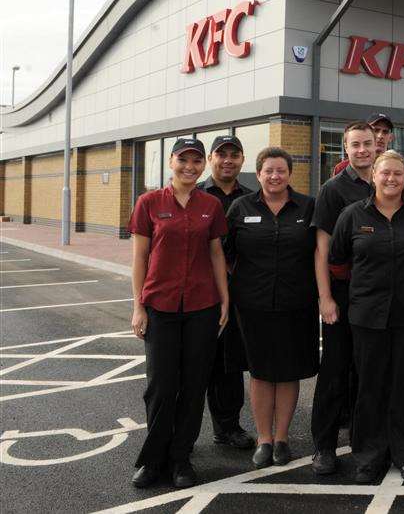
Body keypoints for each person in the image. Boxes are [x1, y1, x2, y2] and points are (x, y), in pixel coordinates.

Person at [128, 138, 229, 489]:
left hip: (202, 306)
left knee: (193, 386)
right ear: (171, 161)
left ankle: (181, 458)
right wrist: (138, 306)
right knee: (160, 386)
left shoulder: (211, 205)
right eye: (183, 159)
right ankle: (153, 460)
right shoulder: (149, 203)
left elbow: (217, 254)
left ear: (204, 165)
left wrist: (225, 300)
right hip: (160, 306)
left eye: (196, 160)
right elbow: (140, 257)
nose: (190, 166)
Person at [329, 150, 404, 484]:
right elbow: (338, 263)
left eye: (398, 174)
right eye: (385, 173)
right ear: (373, 175)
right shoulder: (351, 215)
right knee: (369, 387)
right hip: (367, 316)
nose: (391, 179)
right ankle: (369, 456)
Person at [224, 147, 319, 469]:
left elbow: (319, 253)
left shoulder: (308, 206)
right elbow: (224, 254)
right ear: (259, 173)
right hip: (252, 305)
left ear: (290, 174)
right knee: (262, 373)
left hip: (297, 304)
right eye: (269, 171)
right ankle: (264, 439)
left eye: (281, 170)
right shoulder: (240, 207)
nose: (275, 176)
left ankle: (282, 438)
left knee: (288, 371)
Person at [310, 121, 378, 475]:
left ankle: (363, 438)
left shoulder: (387, 183)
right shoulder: (333, 190)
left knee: (366, 370)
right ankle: (323, 446)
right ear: (345, 149)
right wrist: (325, 298)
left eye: (368, 143)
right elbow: (321, 249)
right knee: (335, 370)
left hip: (378, 295)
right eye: (356, 145)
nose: (363, 150)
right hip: (342, 291)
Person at [196, 135, 255, 451]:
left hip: (239, 297)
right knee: (194, 367)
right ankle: (182, 434)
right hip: (200, 295)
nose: (228, 160)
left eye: (235, 154)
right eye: (222, 154)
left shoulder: (251, 198)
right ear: (211, 159)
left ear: (243, 160)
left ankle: (228, 427)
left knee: (229, 365)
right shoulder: (196, 195)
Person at [332, 112, 404, 203]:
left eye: (385, 132)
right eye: (376, 130)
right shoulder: (342, 168)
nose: (380, 136)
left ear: (391, 137)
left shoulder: (402, 171)